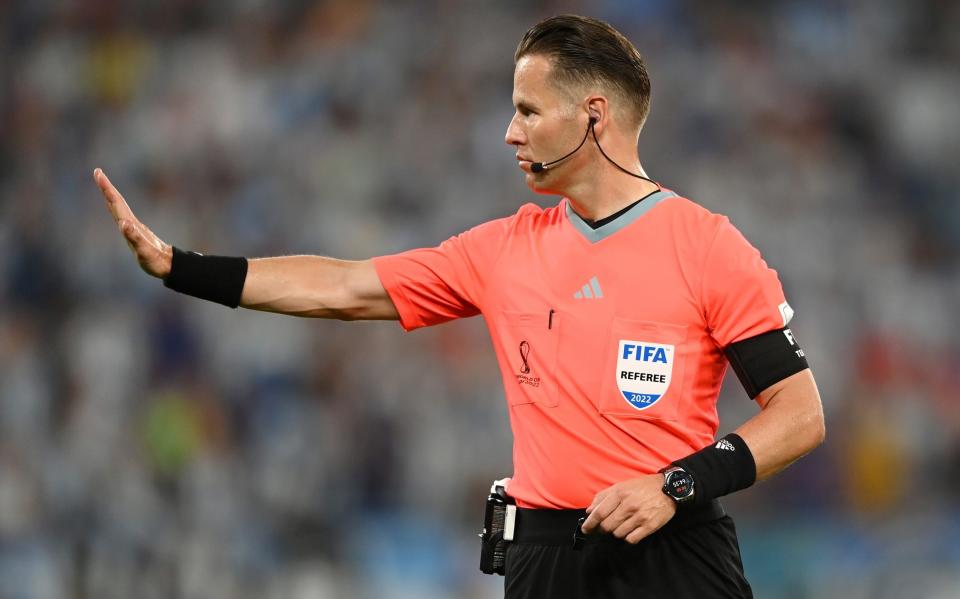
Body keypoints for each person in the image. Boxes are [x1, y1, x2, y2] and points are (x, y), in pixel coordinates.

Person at [94, 14, 824, 599]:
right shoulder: (503, 248)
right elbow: (347, 288)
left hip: (672, 553)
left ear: (594, 116)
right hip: (543, 559)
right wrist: (180, 267)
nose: (510, 132)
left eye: (528, 111)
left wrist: (678, 483)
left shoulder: (707, 246)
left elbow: (799, 412)